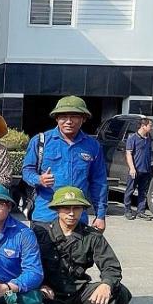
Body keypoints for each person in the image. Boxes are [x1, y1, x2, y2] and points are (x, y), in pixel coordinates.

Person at [29, 187, 132, 304]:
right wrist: (40, 285)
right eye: (66, 208)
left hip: (79, 293)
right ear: (57, 209)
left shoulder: (91, 236)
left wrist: (106, 284)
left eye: (76, 208)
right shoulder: (41, 233)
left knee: (120, 292)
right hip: (52, 296)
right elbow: (27, 265)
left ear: (82, 209)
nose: (71, 213)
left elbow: (111, 266)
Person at [22, 95, 108, 232]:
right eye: (63, 116)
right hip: (45, 215)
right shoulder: (40, 141)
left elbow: (99, 182)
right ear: (56, 118)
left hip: (76, 217)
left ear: (84, 118)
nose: (68, 121)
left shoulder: (92, 146)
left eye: (74, 116)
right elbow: (27, 171)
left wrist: (100, 215)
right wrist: (39, 179)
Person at [124, 117, 153, 221]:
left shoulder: (149, 138)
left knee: (143, 192)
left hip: (145, 170)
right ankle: (127, 211)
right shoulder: (133, 138)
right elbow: (128, 153)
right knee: (130, 190)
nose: (152, 128)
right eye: (150, 126)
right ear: (143, 126)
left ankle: (141, 212)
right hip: (135, 169)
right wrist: (132, 168)